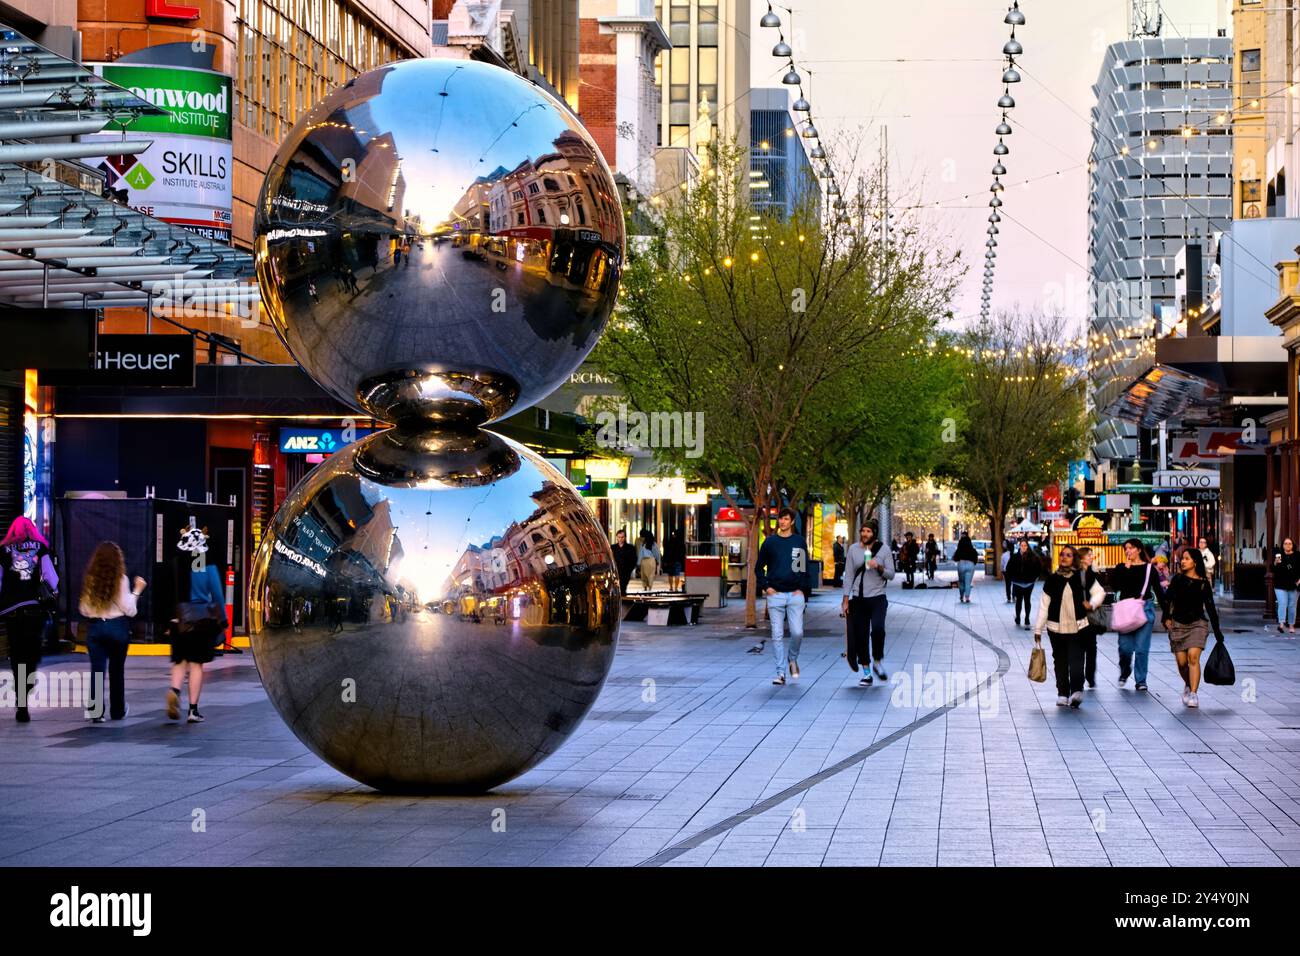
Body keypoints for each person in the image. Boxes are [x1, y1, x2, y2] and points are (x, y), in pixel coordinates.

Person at [78, 542, 145, 722]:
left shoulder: (90, 579)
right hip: (117, 628)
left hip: (96, 628)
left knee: (97, 671)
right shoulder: (121, 580)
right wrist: (137, 590)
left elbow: (83, 609)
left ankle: (96, 711)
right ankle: (117, 711)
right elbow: (129, 609)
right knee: (117, 671)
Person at [0, 517, 58, 723]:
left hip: (12, 611)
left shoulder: (4, 550)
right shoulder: (40, 548)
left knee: (16, 654)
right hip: (34, 609)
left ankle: (21, 701)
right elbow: (52, 577)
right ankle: (28, 685)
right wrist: (55, 591)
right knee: (32, 652)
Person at [168, 526, 227, 723]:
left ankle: (174, 691)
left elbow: (167, 593)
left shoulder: (177, 565)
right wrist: (223, 620)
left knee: (179, 661)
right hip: (200, 620)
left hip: (179, 619)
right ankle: (193, 711)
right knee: (196, 665)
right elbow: (217, 595)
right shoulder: (206, 567)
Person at [1033, 545, 1103, 708]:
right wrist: (1038, 629)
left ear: (1075, 558)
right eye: (1062, 554)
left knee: (1077, 659)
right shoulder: (1052, 579)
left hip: (1079, 627)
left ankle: (1077, 690)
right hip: (1055, 628)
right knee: (1060, 661)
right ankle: (1063, 693)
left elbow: (1100, 592)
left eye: (1069, 555)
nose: (1064, 557)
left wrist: (1091, 604)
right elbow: (1044, 605)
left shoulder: (1082, 577)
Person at [755, 507, 810, 685]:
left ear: (792, 521)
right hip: (775, 594)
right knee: (776, 635)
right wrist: (766, 587)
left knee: (797, 632)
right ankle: (780, 673)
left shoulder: (799, 542)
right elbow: (758, 567)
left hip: (795, 594)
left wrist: (801, 589)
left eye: (786, 519)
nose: (782, 522)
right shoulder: (770, 543)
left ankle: (792, 659)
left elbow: (802, 567)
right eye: (780, 519)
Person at [1162, 547, 1223, 709]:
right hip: (1178, 624)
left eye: (1187, 558)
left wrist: (1217, 631)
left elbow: (1210, 607)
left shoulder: (1203, 583)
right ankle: (1188, 684)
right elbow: (1168, 600)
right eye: (1182, 558)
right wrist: (1166, 617)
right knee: (1182, 663)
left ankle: (1194, 694)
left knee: (1193, 658)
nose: (1183, 561)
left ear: (1195, 562)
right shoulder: (1177, 580)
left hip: (1198, 624)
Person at [841, 522, 895, 686]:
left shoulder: (884, 549)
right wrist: (845, 599)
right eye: (862, 531)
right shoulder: (853, 549)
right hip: (858, 599)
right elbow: (849, 575)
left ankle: (877, 661)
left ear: (874, 533)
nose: (864, 534)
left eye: (868, 531)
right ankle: (866, 673)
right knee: (860, 636)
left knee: (878, 629)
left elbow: (891, 574)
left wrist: (878, 566)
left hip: (878, 597)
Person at [1109, 538, 1165, 692]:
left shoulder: (1149, 569)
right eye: (1126, 548)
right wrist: (1124, 570)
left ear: (1139, 549)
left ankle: (1141, 680)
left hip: (1144, 608)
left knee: (1141, 648)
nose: (1128, 551)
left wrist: (1167, 614)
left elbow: (1159, 592)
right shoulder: (1121, 567)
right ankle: (1125, 670)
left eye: (1131, 548)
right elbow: (1114, 586)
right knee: (1125, 648)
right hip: (1126, 610)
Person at [1075, 547, 1102, 689]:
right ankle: (1080, 675)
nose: (1092, 557)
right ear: (1081, 558)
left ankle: (1090, 676)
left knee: (1091, 646)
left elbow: (1099, 591)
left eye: (1092, 555)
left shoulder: (1092, 572)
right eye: (1089, 555)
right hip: (1076, 615)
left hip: (1090, 615)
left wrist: (1091, 604)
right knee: (1079, 646)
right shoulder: (1074, 573)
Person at [1006, 539, 1039, 628]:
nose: (1023, 547)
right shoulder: (1015, 557)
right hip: (1017, 583)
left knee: (1027, 600)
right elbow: (1009, 568)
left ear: (1027, 546)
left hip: (1029, 583)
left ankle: (1027, 618)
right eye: (1022, 545)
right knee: (1019, 601)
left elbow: (1038, 568)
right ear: (1019, 546)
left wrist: (1035, 578)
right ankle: (1018, 617)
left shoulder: (1032, 557)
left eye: (1025, 545)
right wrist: (1012, 578)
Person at [1272, 537, 1300, 634]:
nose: (1287, 545)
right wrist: (1275, 563)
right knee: (1282, 603)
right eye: (1285, 543)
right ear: (1282, 545)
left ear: (1293, 545)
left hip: (1294, 584)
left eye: (1289, 543)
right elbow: (1273, 570)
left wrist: (1299, 580)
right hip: (1280, 584)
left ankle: (1291, 625)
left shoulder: (1298, 555)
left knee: (1292, 605)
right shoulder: (1279, 556)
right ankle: (1281, 624)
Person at [953, 533, 979, 603]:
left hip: (961, 564)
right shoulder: (972, 550)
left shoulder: (959, 550)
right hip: (970, 564)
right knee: (968, 582)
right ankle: (967, 597)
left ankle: (961, 596)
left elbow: (955, 558)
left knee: (961, 582)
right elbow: (976, 559)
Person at [611, 529, 637, 596]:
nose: (620, 539)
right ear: (616, 537)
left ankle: (622, 598)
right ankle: (620, 598)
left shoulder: (630, 548)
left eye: (622, 537)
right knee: (616, 586)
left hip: (626, 571)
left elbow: (634, 559)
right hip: (616, 570)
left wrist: (630, 569)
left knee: (623, 586)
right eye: (619, 537)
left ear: (625, 537)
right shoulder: (613, 548)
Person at [663, 528, 687, 593]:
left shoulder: (669, 542)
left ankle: (671, 587)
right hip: (678, 561)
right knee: (677, 574)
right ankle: (676, 588)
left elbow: (666, 552)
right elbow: (683, 552)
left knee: (670, 574)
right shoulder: (681, 543)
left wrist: (665, 560)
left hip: (670, 561)